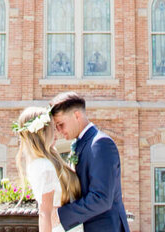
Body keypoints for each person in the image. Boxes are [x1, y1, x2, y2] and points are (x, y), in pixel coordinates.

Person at [49, 92, 130, 232]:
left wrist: (60, 215)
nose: (59, 131)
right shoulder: (80, 144)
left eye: (61, 124)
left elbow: (101, 198)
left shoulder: (100, 143)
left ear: (77, 115)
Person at [14, 105, 83, 232]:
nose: (56, 131)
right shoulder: (43, 166)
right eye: (52, 128)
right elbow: (44, 212)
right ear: (41, 133)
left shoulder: (50, 160)